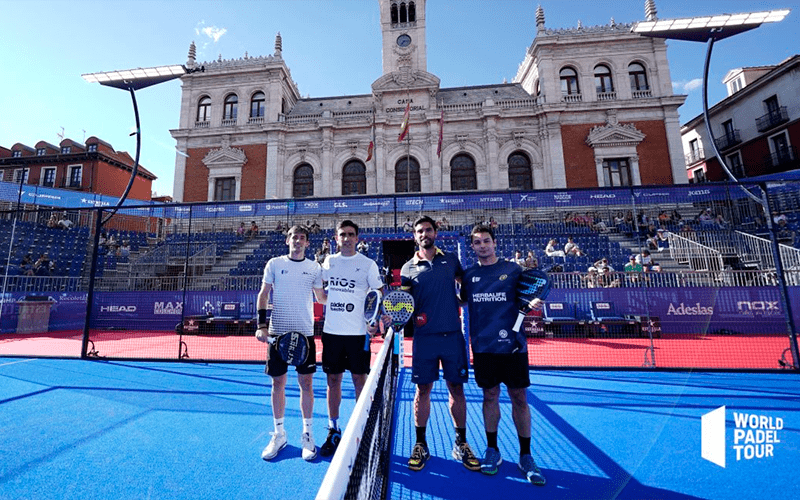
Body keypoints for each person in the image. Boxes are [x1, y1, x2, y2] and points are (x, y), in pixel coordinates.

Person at [461, 224, 547, 485]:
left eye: (486, 240)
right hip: (484, 346)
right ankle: (492, 450)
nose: (483, 245)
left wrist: (534, 304)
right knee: (490, 396)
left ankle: (525, 455)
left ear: (495, 243)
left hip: (513, 346)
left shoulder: (514, 269)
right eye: (477, 242)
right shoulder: (469, 275)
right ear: (473, 247)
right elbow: (462, 302)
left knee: (519, 397)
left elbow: (529, 294)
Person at [400, 215, 480, 472]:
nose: (425, 234)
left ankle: (461, 442)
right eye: (420, 231)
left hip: (452, 338)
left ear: (436, 233)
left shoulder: (451, 261)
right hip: (424, 339)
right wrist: (396, 316)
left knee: (456, 389)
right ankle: (421, 444)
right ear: (415, 236)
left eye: (428, 230)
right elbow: (404, 304)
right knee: (422, 391)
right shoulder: (407, 269)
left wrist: (460, 300)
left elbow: (465, 286)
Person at [255, 225, 325, 462]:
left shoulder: (314, 267)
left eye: (302, 238)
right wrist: (261, 325)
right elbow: (264, 294)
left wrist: (344, 292)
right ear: (288, 241)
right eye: (294, 237)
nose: (298, 240)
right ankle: (279, 433)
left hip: (305, 334)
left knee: (306, 383)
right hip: (277, 333)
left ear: (307, 243)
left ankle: (307, 434)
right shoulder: (274, 264)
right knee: (278, 383)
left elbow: (321, 298)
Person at [318, 220, 388, 457]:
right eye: (342, 235)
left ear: (357, 238)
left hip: (358, 334)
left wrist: (373, 319)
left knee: (360, 380)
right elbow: (320, 289)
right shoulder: (329, 262)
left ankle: (361, 428)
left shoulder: (367, 264)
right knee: (333, 381)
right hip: (332, 332)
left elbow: (378, 293)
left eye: (350, 234)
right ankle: (333, 428)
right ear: (336, 238)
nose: (346, 238)